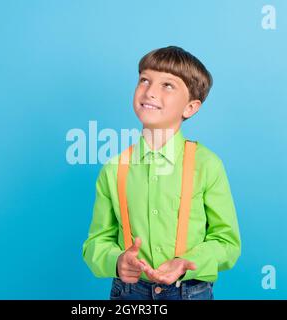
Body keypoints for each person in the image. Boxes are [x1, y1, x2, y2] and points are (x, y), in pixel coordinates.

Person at [82, 46, 241, 300]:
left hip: (189, 291)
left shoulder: (208, 165)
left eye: (168, 85)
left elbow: (227, 243)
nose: (150, 91)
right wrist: (116, 261)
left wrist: (187, 261)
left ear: (190, 107)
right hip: (129, 293)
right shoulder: (114, 169)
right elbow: (95, 243)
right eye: (144, 80)